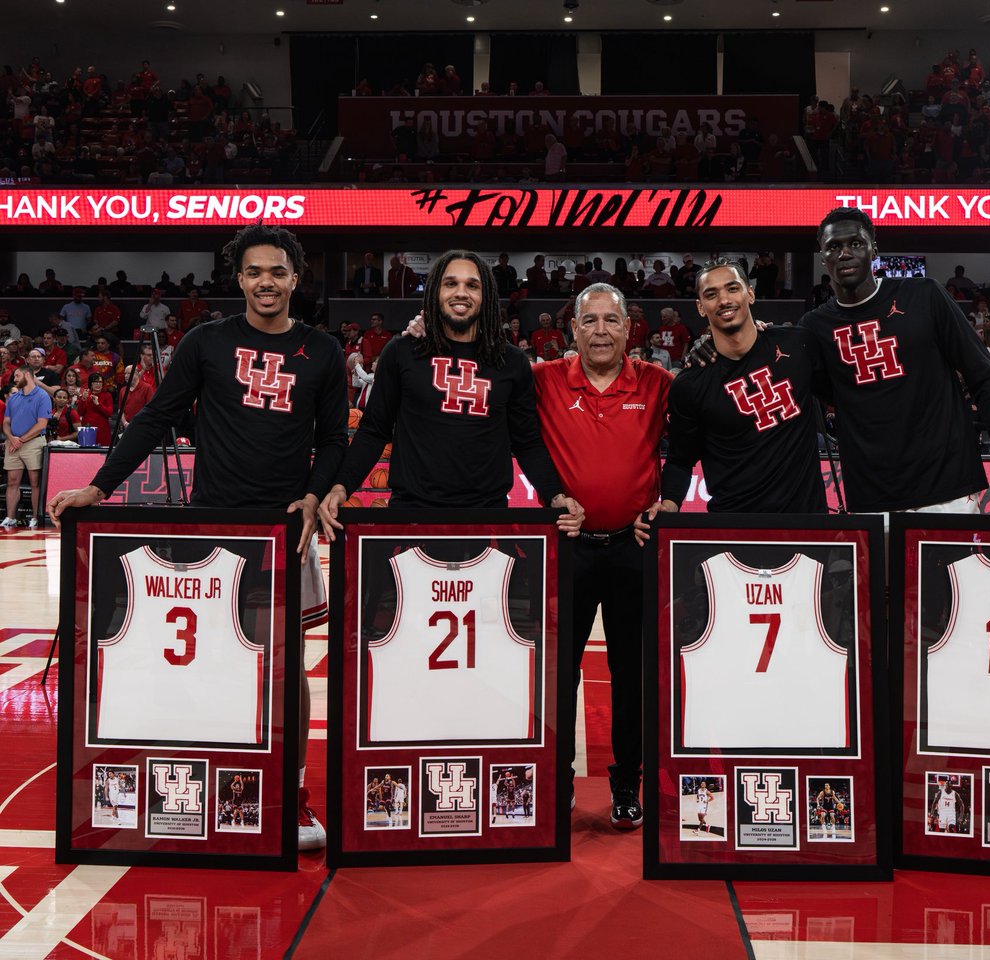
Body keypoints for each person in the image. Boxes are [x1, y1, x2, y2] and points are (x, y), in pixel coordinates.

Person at [49, 223, 349, 852]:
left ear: (296, 278)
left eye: (277, 272)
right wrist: (99, 487)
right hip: (214, 528)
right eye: (253, 272)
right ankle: (218, 785)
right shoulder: (205, 343)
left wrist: (317, 494)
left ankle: (291, 796)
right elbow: (156, 416)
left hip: (285, 530)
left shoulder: (321, 351)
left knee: (289, 667)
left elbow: (335, 441)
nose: (265, 283)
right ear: (238, 278)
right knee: (214, 663)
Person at [799, 207, 990, 538]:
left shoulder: (924, 294)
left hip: (948, 490)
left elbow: (988, 381)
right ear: (823, 259)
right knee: (884, 592)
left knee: (951, 590)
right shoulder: (814, 327)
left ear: (874, 250)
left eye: (856, 243)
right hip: (872, 498)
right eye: (833, 247)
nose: (845, 253)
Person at [529, 283, 671, 830]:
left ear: (630, 328)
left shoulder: (657, 384)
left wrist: (669, 501)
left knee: (631, 675)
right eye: (590, 322)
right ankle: (558, 781)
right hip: (569, 551)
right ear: (573, 331)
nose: (602, 331)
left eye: (612, 321)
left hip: (633, 551)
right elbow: (490, 372)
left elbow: (691, 442)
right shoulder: (542, 380)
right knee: (559, 674)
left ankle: (626, 784)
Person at [318, 250, 583, 523]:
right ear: (435, 292)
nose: (461, 292)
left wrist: (556, 495)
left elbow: (526, 442)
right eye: (450, 283)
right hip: (411, 514)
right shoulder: (401, 351)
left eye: (472, 285)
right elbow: (374, 430)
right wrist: (342, 486)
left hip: (488, 517)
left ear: (486, 295)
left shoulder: (512, 361)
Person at [660, 258, 825, 515]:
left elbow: (846, 396)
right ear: (700, 307)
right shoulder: (690, 384)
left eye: (732, 288)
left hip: (806, 522)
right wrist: (669, 503)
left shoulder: (798, 344)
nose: (724, 300)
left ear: (750, 293)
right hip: (732, 528)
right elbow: (680, 459)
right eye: (711, 294)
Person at [2, 365, 51, 529]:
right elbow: (6, 422)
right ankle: (10, 517)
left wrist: (20, 440)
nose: (14, 379)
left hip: (33, 442)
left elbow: (42, 424)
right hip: (13, 443)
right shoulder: (14, 398)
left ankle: (35, 517)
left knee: (35, 482)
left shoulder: (43, 396)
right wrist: (11, 438)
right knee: (12, 481)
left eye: (17, 376)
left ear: (27, 375)